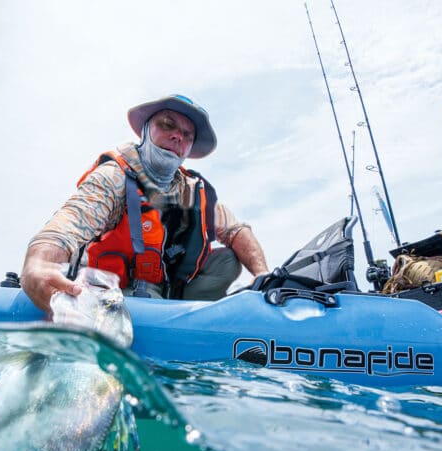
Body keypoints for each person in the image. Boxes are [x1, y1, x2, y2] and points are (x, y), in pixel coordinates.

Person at [21, 94, 268, 312]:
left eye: (187, 135)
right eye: (168, 125)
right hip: (107, 289)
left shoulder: (192, 190)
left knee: (227, 260)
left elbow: (237, 230)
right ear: (146, 130)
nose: (177, 136)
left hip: (167, 291)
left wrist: (261, 274)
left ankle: (192, 315)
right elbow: (70, 221)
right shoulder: (115, 176)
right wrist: (39, 263)